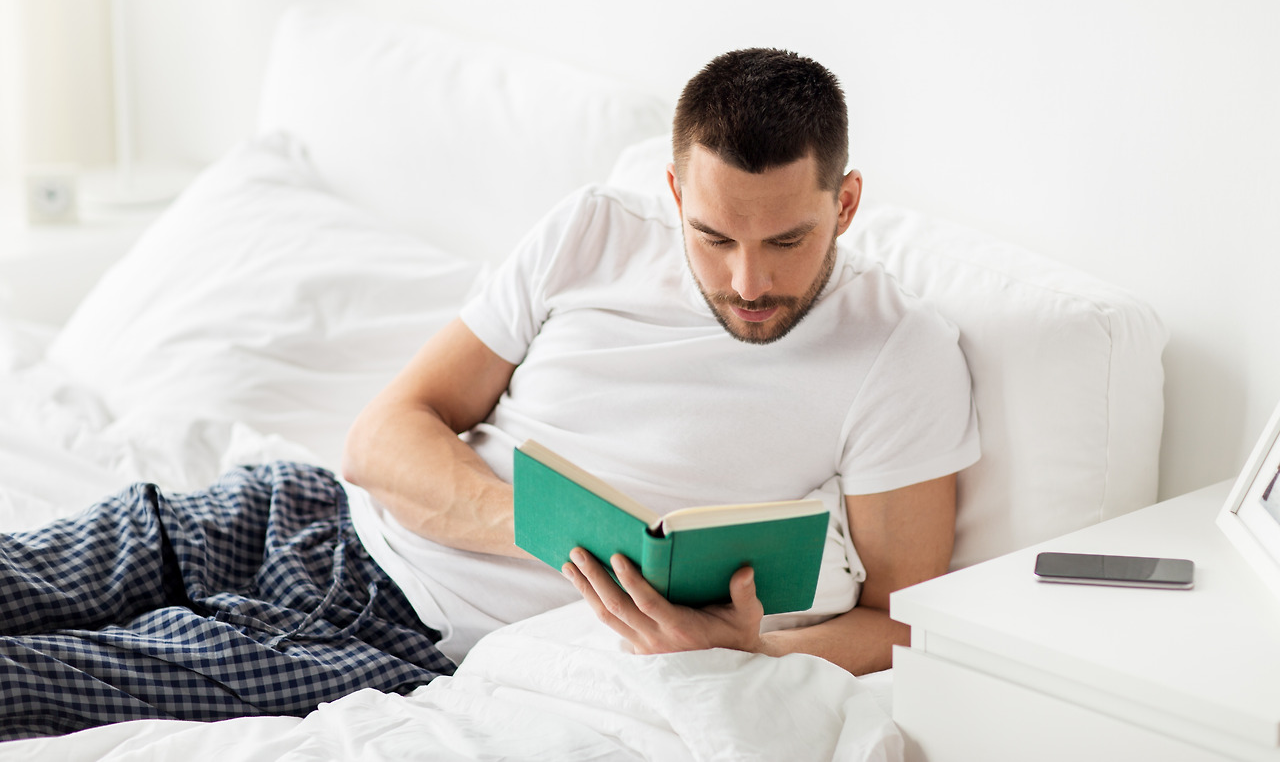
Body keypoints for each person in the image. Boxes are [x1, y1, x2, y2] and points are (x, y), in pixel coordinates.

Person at [0, 47, 978, 739]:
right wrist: (544, 528)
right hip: (291, 512)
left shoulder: (898, 353)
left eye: (787, 241)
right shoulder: (589, 233)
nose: (747, 282)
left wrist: (749, 644)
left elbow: (901, 619)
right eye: (714, 238)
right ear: (675, 194)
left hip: (387, 632)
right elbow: (383, 434)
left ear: (843, 203)